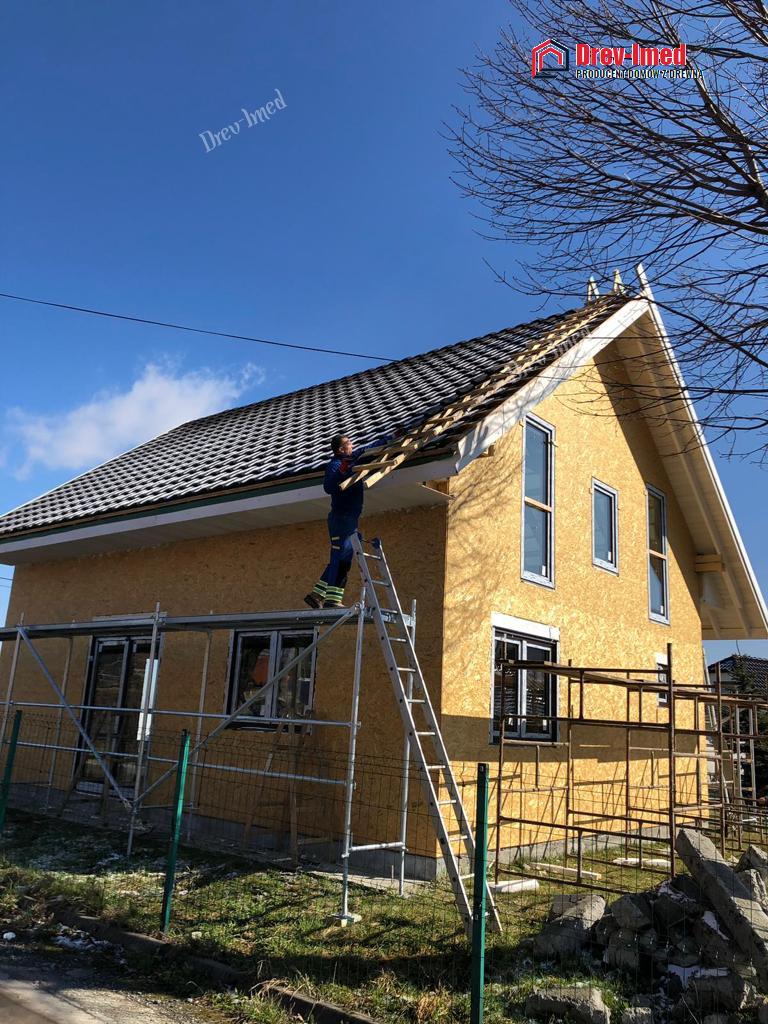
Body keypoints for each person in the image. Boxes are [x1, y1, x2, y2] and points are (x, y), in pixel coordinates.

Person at [304, 431, 393, 609]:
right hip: (341, 518)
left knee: (341, 557)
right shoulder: (335, 465)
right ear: (341, 449)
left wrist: (389, 438)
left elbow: (366, 450)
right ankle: (332, 600)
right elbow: (328, 486)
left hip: (349, 518)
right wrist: (342, 472)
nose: (352, 445)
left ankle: (317, 595)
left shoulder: (350, 460)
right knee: (342, 559)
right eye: (349, 443)